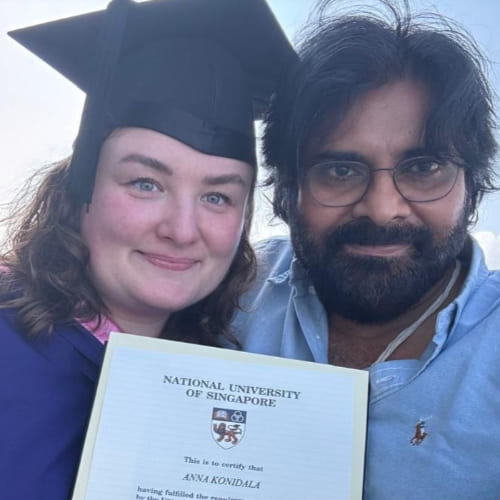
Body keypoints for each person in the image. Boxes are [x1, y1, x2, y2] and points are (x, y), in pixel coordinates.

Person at [0, 0, 295, 498]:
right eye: (145, 184)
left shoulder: (222, 383)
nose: (182, 230)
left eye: (217, 196)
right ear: (78, 192)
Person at [231, 1, 500, 498]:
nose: (382, 209)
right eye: (339, 171)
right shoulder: (229, 296)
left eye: (423, 168)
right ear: (286, 190)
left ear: (474, 188)